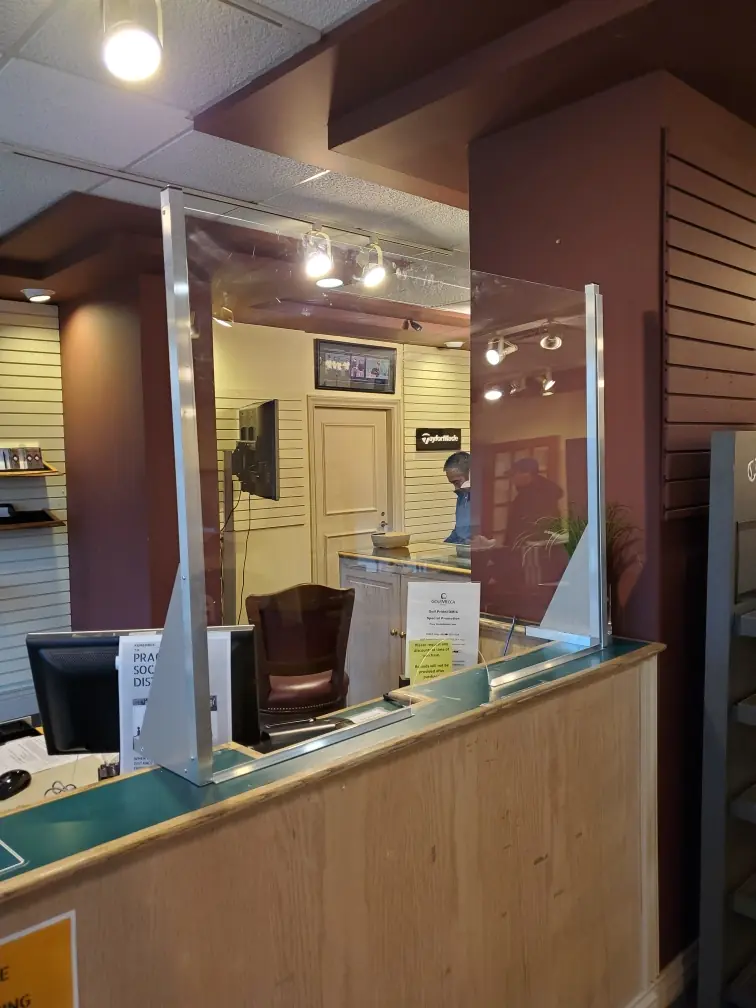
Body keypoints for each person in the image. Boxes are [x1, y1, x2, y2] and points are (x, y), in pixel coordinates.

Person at [504, 457, 563, 547]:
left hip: (536, 546)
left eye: (513, 474)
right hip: (528, 545)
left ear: (527, 474)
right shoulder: (524, 495)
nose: (512, 479)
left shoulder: (540, 495)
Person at [443, 451, 471, 544]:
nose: (456, 488)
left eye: (457, 482)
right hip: (462, 551)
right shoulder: (462, 496)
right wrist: (441, 547)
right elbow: (458, 532)